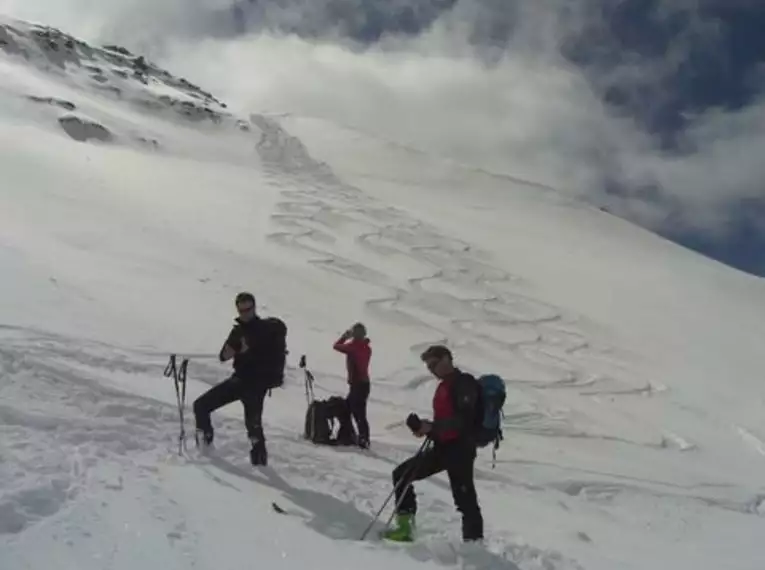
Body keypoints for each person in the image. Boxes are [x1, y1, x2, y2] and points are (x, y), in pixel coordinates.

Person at [383, 344, 484, 543]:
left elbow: (464, 420)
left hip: (461, 449)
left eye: (434, 364)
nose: (432, 370)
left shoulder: (464, 383)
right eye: (429, 367)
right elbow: (446, 422)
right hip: (443, 447)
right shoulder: (444, 385)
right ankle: (405, 529)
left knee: (465, 499)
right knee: (402, 475)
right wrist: (424, 429)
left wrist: (431, 427)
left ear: (447, 359)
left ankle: (474, 545)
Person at [193, 292, 287, 466]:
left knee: (254, 427)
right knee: (201, 405)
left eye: (248, 309)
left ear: (254, 307)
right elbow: (223, 356)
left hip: (256, 385)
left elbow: (270, 353)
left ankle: (260, 465)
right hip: (239, 380)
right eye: (241, 310)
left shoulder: (266, 329)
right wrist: (237, 349)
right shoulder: (238, 330)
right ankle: (205, 448)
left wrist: (248, 350)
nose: (245, 313)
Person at [332, 322, 372, 449]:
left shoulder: (353, 346)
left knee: (356, 411)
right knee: (353, 409)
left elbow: (336, 346)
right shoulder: (367, 348)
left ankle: (362, 438)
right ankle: (353, 435)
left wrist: (345, 336)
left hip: (357, 384)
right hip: (364, 383)